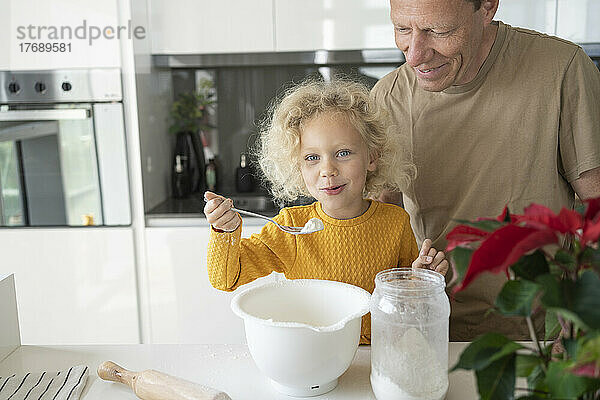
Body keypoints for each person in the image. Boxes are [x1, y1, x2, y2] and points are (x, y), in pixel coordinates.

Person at [371, 0, 600, 340]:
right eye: (403, 29)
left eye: (439, 31)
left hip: (542, 336)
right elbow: (379, 228)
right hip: (433, 333)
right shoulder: (388, 98)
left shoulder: (561, 69)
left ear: (487, 7)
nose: (415, 55)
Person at [204, 80, 449, 344]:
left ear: (372, 158)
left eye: (343, 153)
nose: (327, 170)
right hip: (313, 356)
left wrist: (422, 279)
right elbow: (225, 278)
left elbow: (406, 307)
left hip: (376, 356)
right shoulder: (291, 227)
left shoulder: (395, 222)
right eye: (312, 158)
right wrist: (224, 231)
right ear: (297, 166)